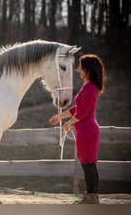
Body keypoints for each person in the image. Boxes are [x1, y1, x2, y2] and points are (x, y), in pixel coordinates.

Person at [49, 54, 106, 204]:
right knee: (89, 163)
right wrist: (60, 118)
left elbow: (82, 113)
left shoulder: (89, 88)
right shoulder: (89, 87)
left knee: (88, 164)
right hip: (87, 130)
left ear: (87, 70)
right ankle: (93, 195)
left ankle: (92, 197)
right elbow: (77, 109)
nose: (78, 69)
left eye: (80, 66)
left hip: (87, 131)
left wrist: (68, 124)